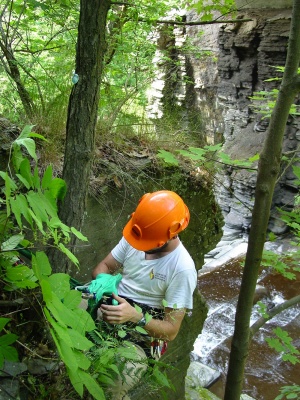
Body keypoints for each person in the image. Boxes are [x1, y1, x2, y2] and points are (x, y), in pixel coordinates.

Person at [92, 190, 197, 399]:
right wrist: (104, 286)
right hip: (112, 302)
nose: (141, 247)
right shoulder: (136, 236)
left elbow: (171, 330)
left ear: (171, 234)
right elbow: (103, 266)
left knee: (114, 383)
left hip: (145, 331)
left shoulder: (182, 268)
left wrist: (135, 317)